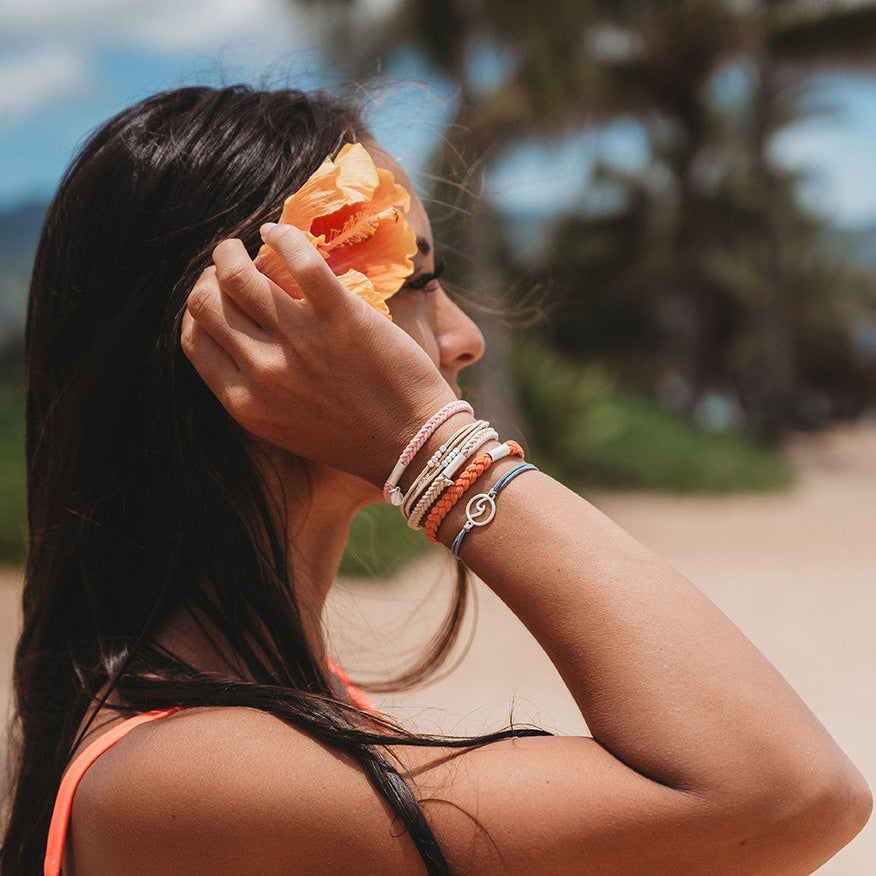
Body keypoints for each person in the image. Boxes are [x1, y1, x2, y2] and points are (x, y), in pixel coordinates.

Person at [1, 84, 870, 876]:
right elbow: (789, 795)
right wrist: (436, 449)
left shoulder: (279, 706)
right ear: (250, 339)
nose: (462, 336)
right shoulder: (179, 778)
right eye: (410, 281)